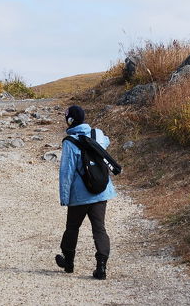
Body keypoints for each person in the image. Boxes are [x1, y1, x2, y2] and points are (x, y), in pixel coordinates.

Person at [55, 105, 117, 280]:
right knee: (99, 228)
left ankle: (68, 262)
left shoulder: (69, 142)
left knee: (72, 227)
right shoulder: (98, 134)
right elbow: (106, 142)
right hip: (101, 191)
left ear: (69, 121)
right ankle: (101, 267)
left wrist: (64, 198)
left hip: (79, 196)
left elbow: (66, 172)